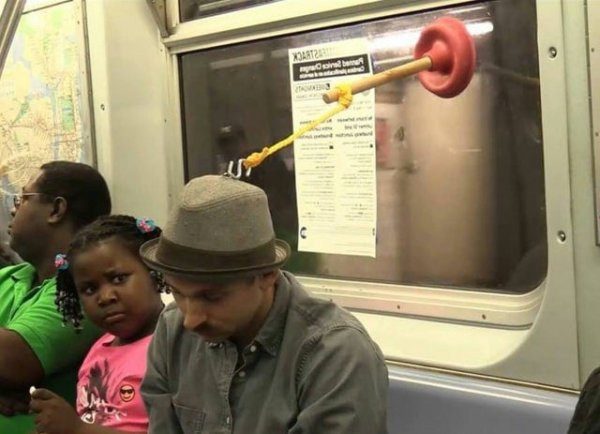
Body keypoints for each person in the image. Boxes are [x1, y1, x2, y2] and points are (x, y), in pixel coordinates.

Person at [140, 174, 389, 433]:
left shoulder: (335, 354)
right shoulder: (171, 330)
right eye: (177, 292)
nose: (191, 320)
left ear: (267, 275)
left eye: (211, 297)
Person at [0, 161, 111, 434]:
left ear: (56, 209)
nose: (13, 209)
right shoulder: (9, 276)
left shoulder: (87, 288)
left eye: (24, 198)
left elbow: (12, 361)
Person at [30, 215, 166, 434]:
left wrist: (77, 429)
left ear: (153, 270)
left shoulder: (174, 347)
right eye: (89, 289)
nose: (105, 297)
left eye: (118, 279)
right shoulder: (99, 348)